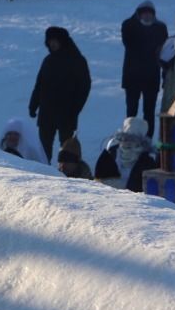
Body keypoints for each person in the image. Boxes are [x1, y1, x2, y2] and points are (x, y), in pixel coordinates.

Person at [29, 25, 91, 163]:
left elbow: (84, 87)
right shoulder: (48, 60)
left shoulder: (77, 60)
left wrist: (75, 109)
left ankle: (68, 174)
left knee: (67, 149)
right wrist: (33, 105)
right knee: (44, 149)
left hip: (67, 113)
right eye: (50, 41)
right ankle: (44, 173)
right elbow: (39, 85)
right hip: (46, 112)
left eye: (55, 41)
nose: (52, 44)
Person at [120, 0, 168, 137]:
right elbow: (128, 41)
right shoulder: (129, 26)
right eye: (144, 14)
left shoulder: (160, 28)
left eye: (150, 14)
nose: (147, 17)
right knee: (131, 112)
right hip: (132, 76)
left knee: (149, 112)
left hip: (151, 77)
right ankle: (129, 137)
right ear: (138, 15)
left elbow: (163, 51)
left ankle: (147, 139)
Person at [93, 116, 157, 192]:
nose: (127, 143)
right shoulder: (110, 154)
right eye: (125, 138)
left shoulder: (147, 162)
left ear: (141, 143)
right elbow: (98, 182)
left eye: (133, 140)